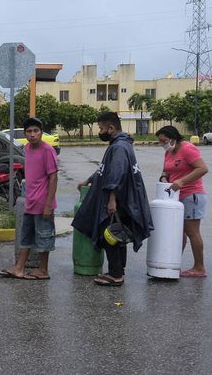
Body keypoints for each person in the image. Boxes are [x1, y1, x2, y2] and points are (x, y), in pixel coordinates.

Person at [73, 112, 153, 287]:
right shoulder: (122, 144)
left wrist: (112, 200)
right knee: (117, 233)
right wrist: (89, 179)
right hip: (122, 199)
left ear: (111, 128)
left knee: (110, 234)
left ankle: (116, 275)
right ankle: (118, 271)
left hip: (118, 200)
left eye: (101, 128)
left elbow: (117, 175)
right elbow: (106, 169)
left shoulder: (118, 147)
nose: (100, 131)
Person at [0, 117, 58, 280]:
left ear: (41, 132)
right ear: (25, 134)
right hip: (30, 202)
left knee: (44, 237)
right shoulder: (27, 149)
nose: (32, 135)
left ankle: (43, 270)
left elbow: (53, 177)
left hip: (43, 203)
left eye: (35, 131)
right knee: (26, 237)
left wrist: (49, 204)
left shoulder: (48, 150)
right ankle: (19, 268)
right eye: (29, 132)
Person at [157, 125, 209, 277]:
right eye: (160, 141)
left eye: (164, 141)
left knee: (192, 232)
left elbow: (202, 168)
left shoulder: (187, 148)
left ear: (173, 138)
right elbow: (165, 169)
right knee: (178, 233)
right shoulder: (169, 151)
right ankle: (173, 263)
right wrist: (164, 177)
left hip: (192, 195)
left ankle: (199, 268)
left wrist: (182, 181)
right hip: (175, 197)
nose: (162, 144)